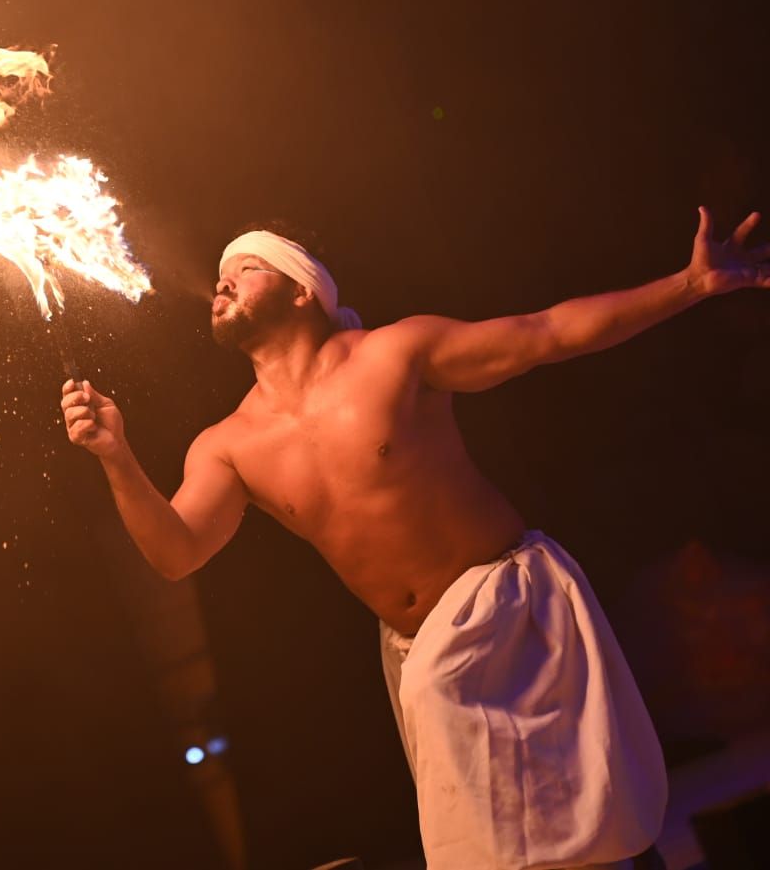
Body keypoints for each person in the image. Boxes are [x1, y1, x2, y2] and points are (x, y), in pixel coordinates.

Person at [60, 208, 769, 870]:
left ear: (305, 290)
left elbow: (547, 332)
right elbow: (176, 552)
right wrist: (116, 456)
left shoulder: (394, 355)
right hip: (423, 655)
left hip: (514, 617)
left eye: (246, 267)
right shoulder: (229, 444)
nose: (222, 280)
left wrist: (691, 283)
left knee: (598, 837)